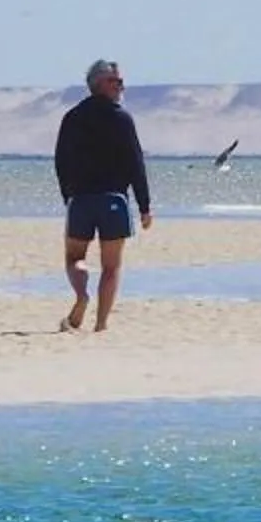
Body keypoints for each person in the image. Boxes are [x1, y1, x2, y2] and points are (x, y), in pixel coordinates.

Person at [53, 57, 152, 331]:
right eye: (115, 81)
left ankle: (81, 295)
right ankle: (101, 324)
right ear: (98, 84)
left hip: (82, 200)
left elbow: (61, 162)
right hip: (114, 201)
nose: (120, 86)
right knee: (111, 266)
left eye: (121, 81)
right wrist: (144, 206)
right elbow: (136, 163)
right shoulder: (122, 119)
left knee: (75, 258)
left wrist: (68, 196)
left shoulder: (73, 118)